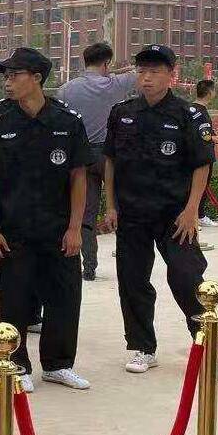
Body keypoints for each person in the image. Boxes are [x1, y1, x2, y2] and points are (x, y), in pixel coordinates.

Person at [0, 47, 93, 394]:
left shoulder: (67, 122)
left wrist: (75, 228)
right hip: (14, 231)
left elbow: (78, 177)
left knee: (65, 298)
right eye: (6, 76)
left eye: (15, 75)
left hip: (58, 231)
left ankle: (58, 364)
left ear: (37, 78)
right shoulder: (0, 124)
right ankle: (17, 365)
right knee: (13, 301)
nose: (8, 82)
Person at [103, 45, 216, 375]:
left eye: (154, 72)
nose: (146, 78)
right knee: (133, 281)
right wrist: (111, 206)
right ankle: (142, 347)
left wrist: (192, 210)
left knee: (186, 276)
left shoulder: (189, 114)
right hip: (133, 214)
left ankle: (205, 344)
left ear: (171, 75)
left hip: (175, 215)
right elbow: (110, 161)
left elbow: (202, 164)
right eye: (141, 71)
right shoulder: (122, 113)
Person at [57, 43, 137, 280]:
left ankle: (89, 266)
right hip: (110, 154)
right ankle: (128, 260)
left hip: (82, 156)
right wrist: (119, 71)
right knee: (121, 209)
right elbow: (138, 74)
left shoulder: (66, 89)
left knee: (86, 213)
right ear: (106, 63)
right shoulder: (115, 84)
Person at [193, 79, 218, 228]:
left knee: (200, 187)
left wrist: (213, 132)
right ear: (210, 92)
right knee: (198, 186)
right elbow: (200, 135)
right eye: (214, 90)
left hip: (199, 155)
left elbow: (202, 130)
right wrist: (216, 138)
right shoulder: (200, 112)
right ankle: (193, 217)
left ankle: (199, 215)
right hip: (201, 156)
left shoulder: (193, 108)